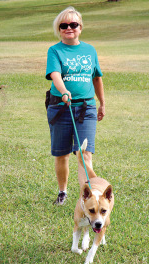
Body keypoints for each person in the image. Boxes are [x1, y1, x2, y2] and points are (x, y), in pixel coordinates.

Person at [46, 6, 105, 205]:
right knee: (62, 154)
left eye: (73, 24)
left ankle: (89, 197)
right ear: (59, 29)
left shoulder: (90, 50)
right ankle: (62, 192)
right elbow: (55, 74)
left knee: (84, 152)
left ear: (80, 27)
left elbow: (97, 78)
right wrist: (64, 91)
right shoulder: (55, 50)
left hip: (87, 108)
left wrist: (102, 103)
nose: (69, 28)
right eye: (64, 25)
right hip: (61, 108)